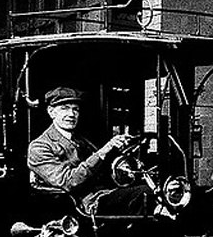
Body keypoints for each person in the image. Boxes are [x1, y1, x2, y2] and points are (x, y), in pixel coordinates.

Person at [27, 86, 151, 216]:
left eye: (75, 109)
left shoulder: (81, 140)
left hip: (106, 193)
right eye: (64, 108)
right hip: (87, 204)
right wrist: (102, 152)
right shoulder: (39, 147)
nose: (71, 114)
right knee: (145, 195)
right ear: (51, 112)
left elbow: (105, 168)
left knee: (157, 192)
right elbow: (68, 181)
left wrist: (128, 160)